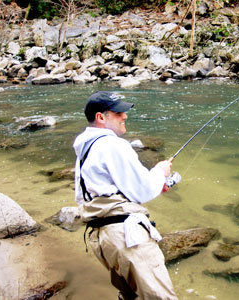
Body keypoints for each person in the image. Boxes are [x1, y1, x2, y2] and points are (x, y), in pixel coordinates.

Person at [73, 91, 177, 300]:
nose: (125, 116)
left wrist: (156, 182)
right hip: (126, 238)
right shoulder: (112, 144)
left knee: (130, 296)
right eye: (118, 112)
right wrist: (160, 171)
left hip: (102, 239)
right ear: (101, 117)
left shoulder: (85, 150)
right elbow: (144, 190)